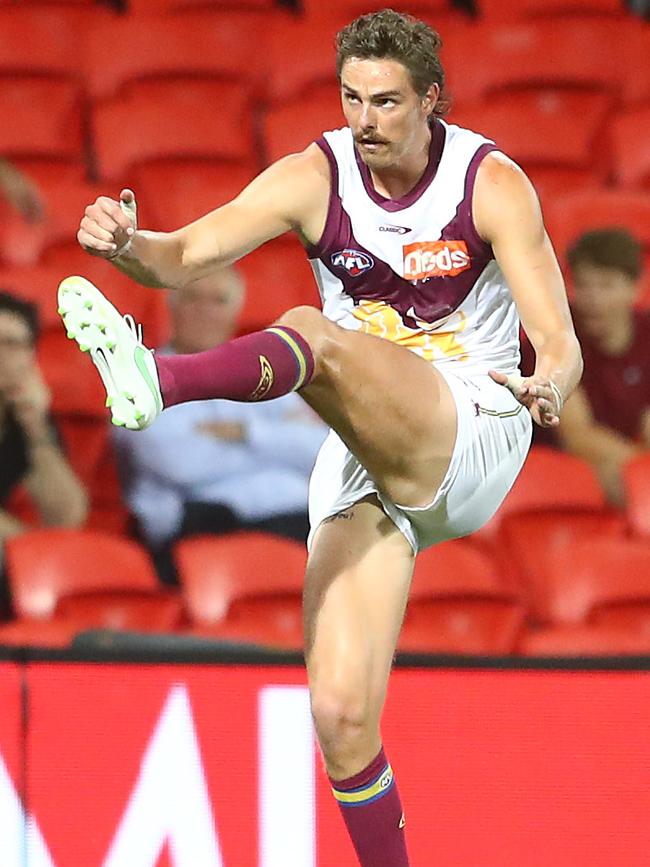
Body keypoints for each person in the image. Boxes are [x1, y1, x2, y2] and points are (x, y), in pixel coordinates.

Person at [60, 10, 582, 865]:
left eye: (385, 101)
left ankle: (160, 380)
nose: (364, 119)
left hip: (473, 421)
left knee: (316, 331)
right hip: (365, 442)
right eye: (351, 98)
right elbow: (186, 252)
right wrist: (128, 245)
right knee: (340, 719)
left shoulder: (490, 184)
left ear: (431, 102)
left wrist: (548, 385)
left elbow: (558, 343)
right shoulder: (317, 173)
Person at [112, 266, 328, 579]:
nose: (204, 311)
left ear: (235, 312)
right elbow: (178, 464)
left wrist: (246, 433)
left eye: (218, 301)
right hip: (200, 533)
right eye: (192, 299)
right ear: (170, 306)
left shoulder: (264, 374)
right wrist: (279, 443)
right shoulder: (139, 379)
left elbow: (320, 452)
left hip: (296, 525)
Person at [0, 291, 88, 610]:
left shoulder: (26, 415)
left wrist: (36, 428)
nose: (4, 356)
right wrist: (30, 543)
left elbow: (67, 515)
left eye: (14, 345)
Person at [551, 228, 649, 506]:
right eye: (583, 285)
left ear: (635, 288)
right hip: (560, 466)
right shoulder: (556, 334)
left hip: (626, 459)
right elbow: (577, 436)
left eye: (606, 285)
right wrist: (643, 470)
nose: (593, 299)